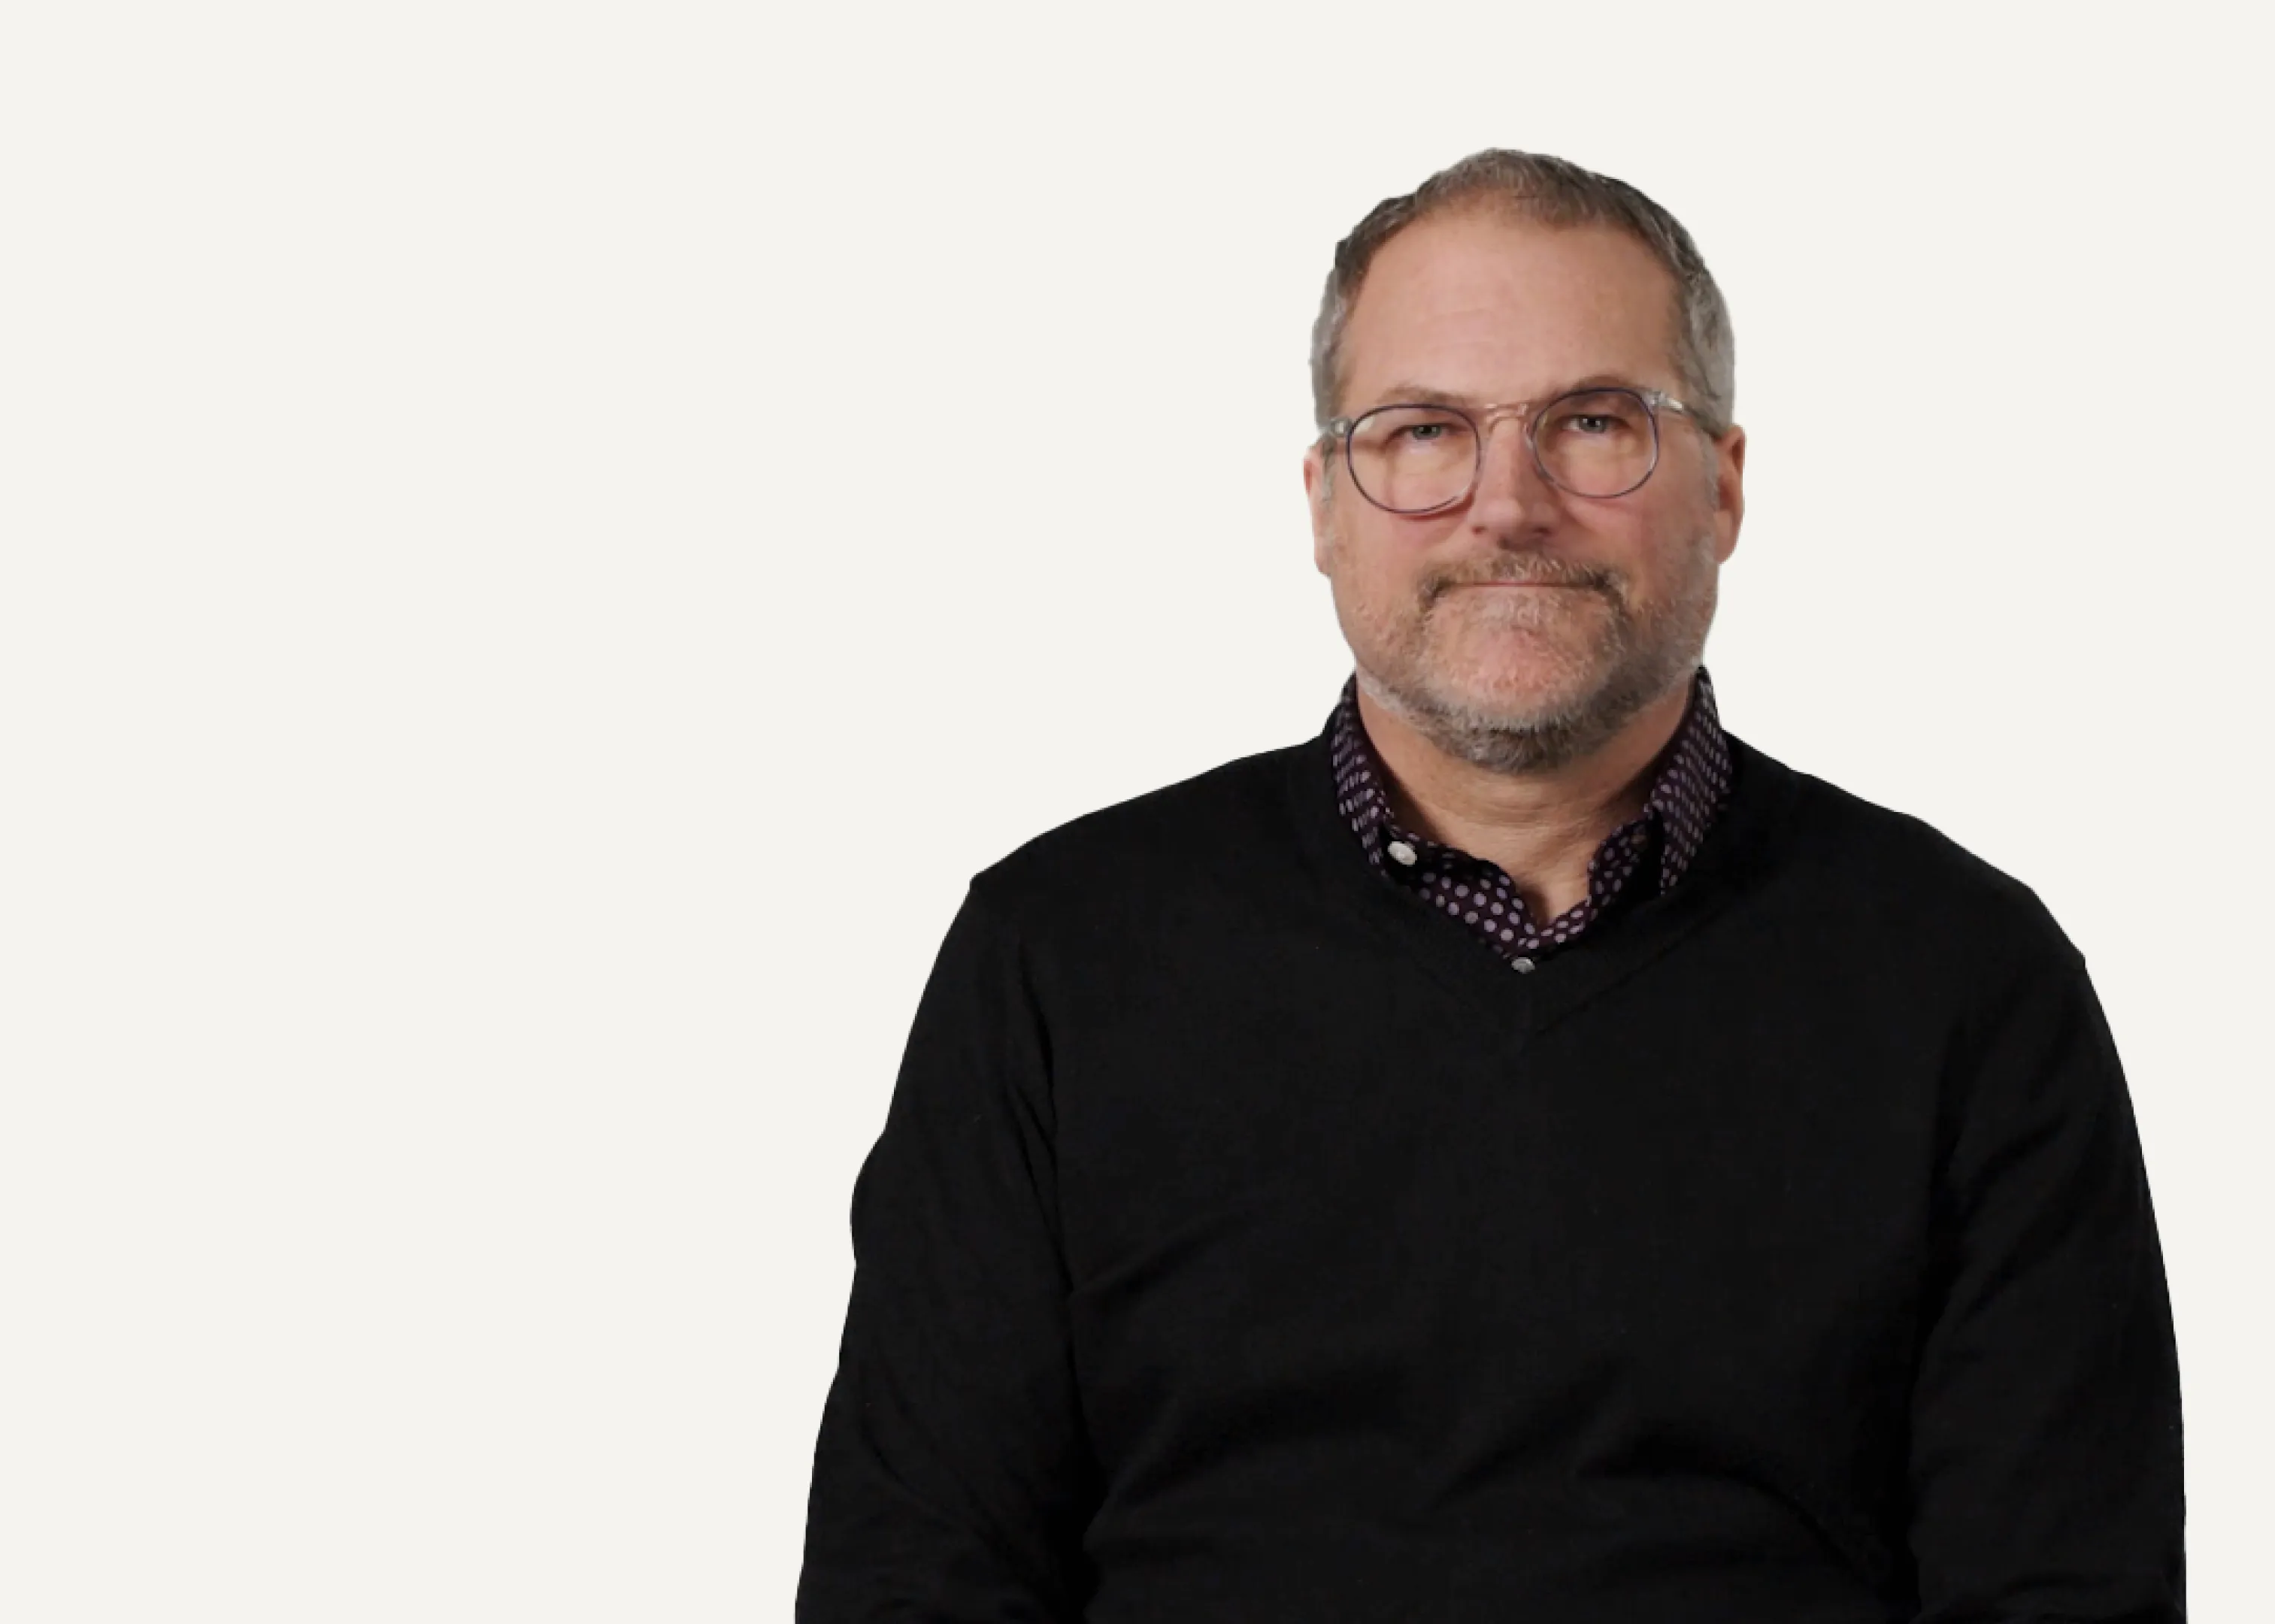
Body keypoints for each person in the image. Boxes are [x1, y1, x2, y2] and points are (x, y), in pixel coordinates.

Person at [794, 150, 2186, 1622]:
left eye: (1595, 424)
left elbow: (2064, 1591)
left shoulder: (1968, 981)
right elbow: (915, 1580)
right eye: (1423, 432)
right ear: (1327, 501)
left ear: (1722, 485)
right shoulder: (1059, 958)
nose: (1506, 506)